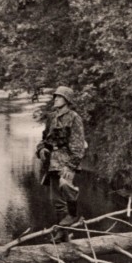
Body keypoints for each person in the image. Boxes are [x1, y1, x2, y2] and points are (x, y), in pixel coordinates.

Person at [36, 86, 86, 242]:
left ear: (67, 100)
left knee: (66, 186)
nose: (55, 99)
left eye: (59, 97)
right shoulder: (51, 117)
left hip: (67, 160)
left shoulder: (74, 117)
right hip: (52, 161)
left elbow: (78, 145)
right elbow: (44, 139)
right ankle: (62, 234)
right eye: (55, 96)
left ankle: (73, 214)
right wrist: (42, 149)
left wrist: (71, 166)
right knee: (56, 201)